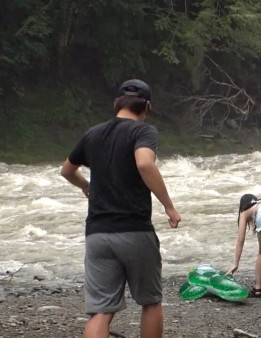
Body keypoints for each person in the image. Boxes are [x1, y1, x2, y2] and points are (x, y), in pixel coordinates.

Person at [61, 79, 181, 338]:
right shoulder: (143, 132)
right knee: (150, 301)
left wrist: (85, 186)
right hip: (135, 230)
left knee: (101, 310)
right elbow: (145, 164)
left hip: (97, 234)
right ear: (146, 106)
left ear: (117, 103)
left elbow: (67, 170)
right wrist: (169, 206)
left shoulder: (93, 134)